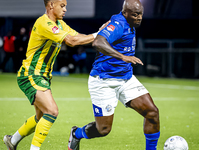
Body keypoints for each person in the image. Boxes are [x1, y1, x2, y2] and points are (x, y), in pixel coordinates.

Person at [3, 0, 108, 150]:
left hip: (42, 76)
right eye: (62, 6)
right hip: (31, 74)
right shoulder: (44, 23)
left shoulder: (60, 24)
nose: (65, 9)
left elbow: (78, 37)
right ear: (51, 5)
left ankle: (12, 141)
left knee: (41, 117)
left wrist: (99, 33)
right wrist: (98, 34)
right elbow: (71, 41)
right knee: (52, 111)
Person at [68, 0, 160, 150]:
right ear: (125, 13)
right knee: (103, 130)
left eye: (141, 14)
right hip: (104, 81)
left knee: (152, 113)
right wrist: (123, 57)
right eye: (135, 14)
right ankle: (76, 133)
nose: (139, 18)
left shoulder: (129, 23)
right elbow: (98, 42)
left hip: (126, 78)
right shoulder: (118, 24)